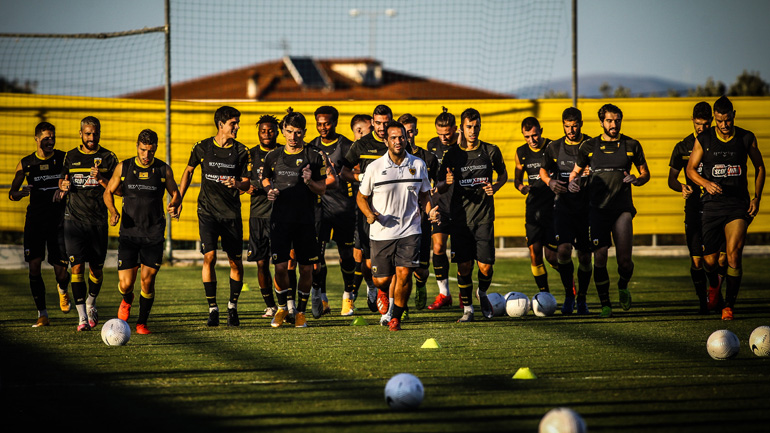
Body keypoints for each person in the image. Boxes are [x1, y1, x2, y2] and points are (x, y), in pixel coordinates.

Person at [686, 95, 765, 320]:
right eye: (719, 121)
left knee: (733, 255)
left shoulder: (746, 138)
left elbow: (760, 167)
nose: (723, 125)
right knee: (710, 262)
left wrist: (756, 198)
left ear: (733, 116)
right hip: (712, 206)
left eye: (727, 120)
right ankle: (715, 284)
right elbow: (691, 169)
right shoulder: (704, 139)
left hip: (737, 205)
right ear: (715, 119)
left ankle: (728, 305)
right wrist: (706, 183)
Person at [569, 104, 650, 318]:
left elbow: (645, 174)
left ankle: (623, 285)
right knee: (601, 257)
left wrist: (637, 179)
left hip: (622, 208)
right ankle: (605, 303)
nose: (613, 124)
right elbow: (574, 174)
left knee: (624, 261)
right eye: (609, 121)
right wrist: (572, 183)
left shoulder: (631, 144)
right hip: (597, 210)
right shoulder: (589, 146)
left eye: (617, 120)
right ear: (601, 122)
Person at [357, 120, 437, 331]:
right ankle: (382, 291)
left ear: (406, 138)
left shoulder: (418, 164)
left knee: (404, 273)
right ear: (386, 140)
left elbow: (425, 194)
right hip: (381, 232)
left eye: (401, 137)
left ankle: (396, 317)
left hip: (411, 230)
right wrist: (369, 214)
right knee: (382, 280)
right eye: (393, 137)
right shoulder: (374, 167)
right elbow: (361, 197)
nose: (398, 141)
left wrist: (430, 211)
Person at [178, 106, 251, 327]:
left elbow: (247, 183)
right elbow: (189, 171)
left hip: (231, 214)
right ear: (221, 125)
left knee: (235, 262)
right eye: (233, 123)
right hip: (207, 212)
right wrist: (177, 198)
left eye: (237, 123)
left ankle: (232, 307)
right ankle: (212, 309)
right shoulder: (202, 147)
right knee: (208, 256)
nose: (237, 127)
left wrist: (237, 183)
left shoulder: (241, 151)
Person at [104, 129, 181, 334]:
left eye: (151, 151)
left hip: (153, 234)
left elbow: (176, 193)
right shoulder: (125, 167)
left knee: (147, 282)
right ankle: (127, 299)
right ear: (137, 146)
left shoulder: (163, 170)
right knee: (125, 284)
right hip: (129, 234)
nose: (146, 155)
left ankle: (141, 323)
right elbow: (108, 192)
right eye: (143, 150)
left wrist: (174, 204)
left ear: (155, 148)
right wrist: (112, 212)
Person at [437, 108, 508, 322]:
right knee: (464, 266)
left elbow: (503, 174)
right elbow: (439, 185)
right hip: (460, 219)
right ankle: (467, 309)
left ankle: (483, 293)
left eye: (476, 126)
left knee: (485, 266)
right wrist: (446, 183)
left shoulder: (491, 151)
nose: (473, 131)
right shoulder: (452, 155)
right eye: (469, 127)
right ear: (462, 128)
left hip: (484, 217)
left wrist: (495, 187)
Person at [261, 108, 328, 328]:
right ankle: (281, 309)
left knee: (307, 269)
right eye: (289, 132)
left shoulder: (313, 156)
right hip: (280, 221)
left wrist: (310, 182)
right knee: (279, 267)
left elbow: (322, 190)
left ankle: (300, 312)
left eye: (298, 132)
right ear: (282, 132)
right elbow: (265, 179)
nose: (293, 137)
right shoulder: (273, 156)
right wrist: (269, 190)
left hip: (306, 221)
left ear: (304, 132)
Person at [58, 116, 118, 331]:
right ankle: (82, 317)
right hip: (73, 221)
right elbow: (62, 182)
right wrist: (63, 186)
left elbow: (118, 190)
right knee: (76, 267)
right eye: (88, 133)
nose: (92, 137)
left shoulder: (109, 158)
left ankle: (91, 303)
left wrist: (101, 178)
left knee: (97, 269)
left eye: (95, 133)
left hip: (98, 222)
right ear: (81, 134)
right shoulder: (70, 157)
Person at [9, 122, 71, 327]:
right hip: (35, 221)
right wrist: (19, 193)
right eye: (45, 138)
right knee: (34, 266)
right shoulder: (26, 164)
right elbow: (13, 193)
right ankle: (42, 314)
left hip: (58, 221)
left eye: (52, 137)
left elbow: (71, 180)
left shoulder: (64, 158)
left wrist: (65, 188)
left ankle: (63, 289)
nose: (50, 141)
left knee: (61, 272)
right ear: (36, 139)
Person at [668, 102, 722, 313]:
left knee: (715, 259)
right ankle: (703, 302)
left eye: (706, 123)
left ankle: (715, 290)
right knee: (697, 261)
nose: (702, 128)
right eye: (698, 124)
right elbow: (671, 179)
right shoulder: (682, 147)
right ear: (693, 121)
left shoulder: (719, 144)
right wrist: (681, 186)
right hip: (693, 207)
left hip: (716, 208)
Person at [539, 108, 594, 315]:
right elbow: (543, 170)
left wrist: (592, 171)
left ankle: (582, 298)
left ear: (581, 123)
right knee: (562, 251)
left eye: (575, 125)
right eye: (567, 126)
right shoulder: (554, 147)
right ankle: (569, 294)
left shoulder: (591, 145)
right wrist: (550, 181)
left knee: (585, 257)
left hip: (587, 208)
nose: (571, 130)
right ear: (563, 125)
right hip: (563, 207)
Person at [341, 105, 394, 317]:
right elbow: (343, 171)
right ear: (372, 122)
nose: (382, 127)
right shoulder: (362, 144)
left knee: (391, 259)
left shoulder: (397, 142)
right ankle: (373, 287)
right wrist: (359, 178)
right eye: (378, 123)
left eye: (386, 122)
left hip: (393, 210)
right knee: (368, 261)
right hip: (367, 211)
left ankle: (390, 300)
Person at [308, 106, 357, 317]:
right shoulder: (311, 147)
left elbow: (356, 173)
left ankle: (348, 297)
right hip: (319, 210)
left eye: (326, 123)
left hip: (344, 209)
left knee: (346, 256)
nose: (322, 127)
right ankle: (321, 298)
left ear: (335, 122)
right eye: (319, 124)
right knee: (317, 259)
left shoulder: (347, 146)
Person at [398, 113, 439, 312]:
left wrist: (440, 187)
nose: (408, 135)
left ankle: (421, 285)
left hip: (420, 218)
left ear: (416, 132)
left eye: (411, 131)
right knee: (401, 270)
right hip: (397, 220)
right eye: (404, 131)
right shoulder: (391, 158)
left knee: (421, 269)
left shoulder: (427, 158)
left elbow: (438, 183)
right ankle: (400, 308)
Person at [515, 117, 559, 295]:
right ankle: (545, 294)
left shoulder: (553, 147)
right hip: (533, 207)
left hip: (553, 207)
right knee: (534, 254)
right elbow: (517, 179)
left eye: (534, 135)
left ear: (541, 130)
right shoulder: (520, 152)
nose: (532, 140)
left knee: (553, 257)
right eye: (527, 136)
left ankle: (570, 285)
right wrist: (521, 187)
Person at [246, 115, 281, 318]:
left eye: (270, 130)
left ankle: (286, 303)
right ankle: (270, 305)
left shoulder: (284, 153)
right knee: (261, 263)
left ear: (277, 131)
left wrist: (258, 185)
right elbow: (243, 181)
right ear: (258, 132)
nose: (266, 134)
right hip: (258, 215)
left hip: (280, 215)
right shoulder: (250, 155)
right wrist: (245, 186)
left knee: (282, 263)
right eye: (263, 131)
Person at [426, 107, 459, 310]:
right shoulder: (432, 145)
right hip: (440, 203)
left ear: (455, 129)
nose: (444, 137)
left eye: (447, 133)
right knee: (438, 247)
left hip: (462, 205)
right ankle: (444, 293)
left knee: (462, 253)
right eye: (440, 133)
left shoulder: (464, 145)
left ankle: (464, 292)